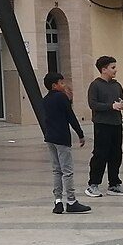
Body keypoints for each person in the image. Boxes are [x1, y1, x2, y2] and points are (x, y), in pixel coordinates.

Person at [40, 72, 92, 214]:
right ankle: (71, 201)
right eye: (61, 83)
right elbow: (71, 117)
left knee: (57, 170)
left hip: (50, 138)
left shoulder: (45, 100)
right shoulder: (61, 98)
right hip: (62, 138)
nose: (64, 85)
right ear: (54, 85)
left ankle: (57, 201)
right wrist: (80, 134)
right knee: (67, 171)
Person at [85, 56, 123, 197]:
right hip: (102, 124)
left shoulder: (117, 85)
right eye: (113, 67)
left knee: (116, 154)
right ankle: (93, 184)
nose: (115, 70)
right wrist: (110, 106)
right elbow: (93, 104)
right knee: (100, 154)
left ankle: (114, 184)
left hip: (117, 123)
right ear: (104, 69)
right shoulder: (95, 85)